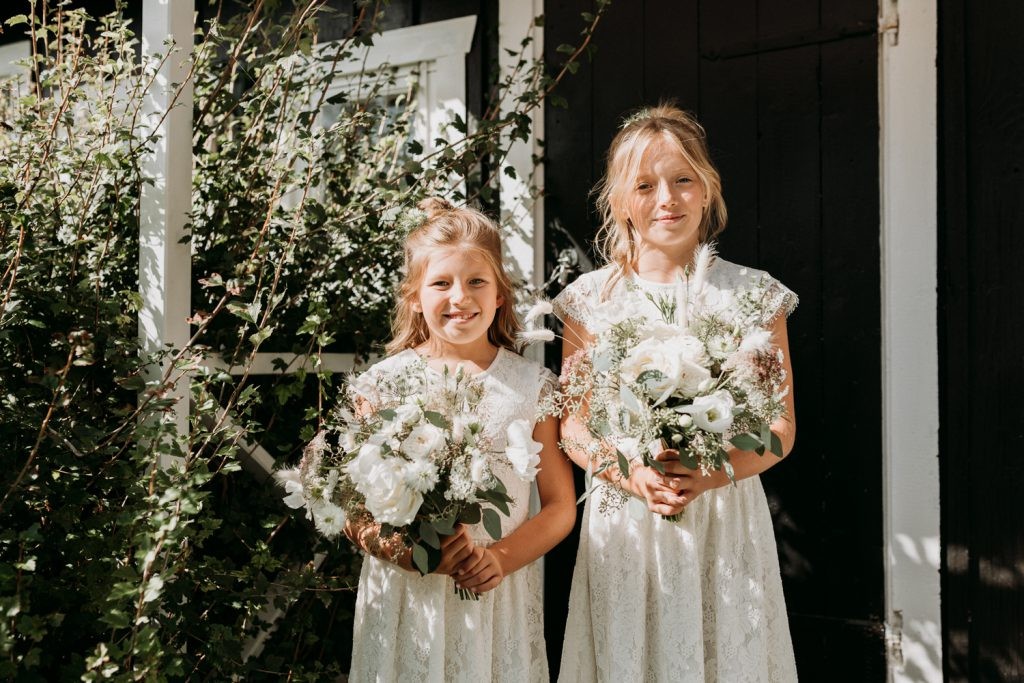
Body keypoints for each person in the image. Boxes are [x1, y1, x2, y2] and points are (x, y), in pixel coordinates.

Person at [554, 105, 799, 681]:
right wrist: (629, 475)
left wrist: (714, 473)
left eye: (683, 179)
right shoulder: (589, 301)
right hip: (627, 522)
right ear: (619, 200)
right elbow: (573, 426)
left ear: (708, 189)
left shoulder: (755, 297)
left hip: (723, 516)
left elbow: (782, 430)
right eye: (645, 185)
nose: (667, 198)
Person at [344, 197, 576, 682]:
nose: (460, 297)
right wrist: (408, 554)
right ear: (414, 296)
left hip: (497, 593)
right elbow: (352, 510)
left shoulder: (532, 386)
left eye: (476, 282)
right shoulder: (380, 386)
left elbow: (559, 506)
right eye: (441, 283)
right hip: (410, 596)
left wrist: (498, 559)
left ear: (499, 296)